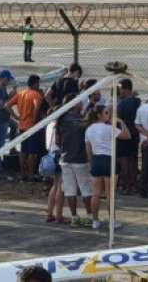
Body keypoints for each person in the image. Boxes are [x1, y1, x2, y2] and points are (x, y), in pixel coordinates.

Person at [85, 104, 130, 230]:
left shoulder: (89, 129)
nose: (108, 115)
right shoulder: (109, 128)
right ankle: (112, 221)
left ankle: (95, 220)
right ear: (99, 115)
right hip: (109, 160)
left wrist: (91, 162)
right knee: (110, 194)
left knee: (96, 194)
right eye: (106, 113)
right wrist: (120, 122)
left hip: (96, 160)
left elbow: (88, 150)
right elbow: (127, 136)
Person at [58, 97, 94, 226]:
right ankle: (89, 216)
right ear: (75, 104)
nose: (81, 104)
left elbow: (58, 140)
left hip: (65, 158)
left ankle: (74, 217)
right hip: (80, 158)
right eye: (79, 102)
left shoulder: (62, 119)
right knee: (85, 188)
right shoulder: (81, 120)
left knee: (70, 190)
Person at [6, 75, 45, 180]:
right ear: (35, 83)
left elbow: (7, 106)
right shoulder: (35, 94)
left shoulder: (21, 93)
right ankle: (31, 174)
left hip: (22, 125)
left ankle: (23, 173)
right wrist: (35, 119)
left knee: (23, 151)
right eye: (38, 83)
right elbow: (37, 106)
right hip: (32, 126)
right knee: (32, 152)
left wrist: (16, 117)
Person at [116, 78, 142, 194]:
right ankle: (134, 184)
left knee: (125, 160)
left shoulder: (121, 104)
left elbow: (117, 119)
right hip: (135, 134)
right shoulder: (137, 102)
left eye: (120, 88)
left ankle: (127, 186)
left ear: (125, 89)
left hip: (124, 134)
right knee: (133, 159)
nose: (119, 91)